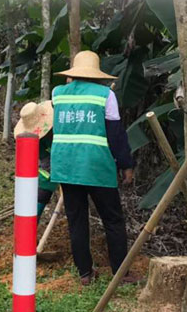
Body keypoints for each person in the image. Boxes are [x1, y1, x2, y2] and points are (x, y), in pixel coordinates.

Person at [51, 51, 135, 286]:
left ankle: (85, 273)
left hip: (66, 166)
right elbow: (116, 134)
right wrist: (126, 164)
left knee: (76, 220)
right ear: (97, 75)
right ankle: (120, 273)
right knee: (113, 220)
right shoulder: (105, 95)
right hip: (97, 166)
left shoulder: (57, 94)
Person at [13, 101, 57, 220]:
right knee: (42, 192)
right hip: (49, 164)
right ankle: (30, 225)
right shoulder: (35, 141)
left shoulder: (58, 125)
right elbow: (44, 160)